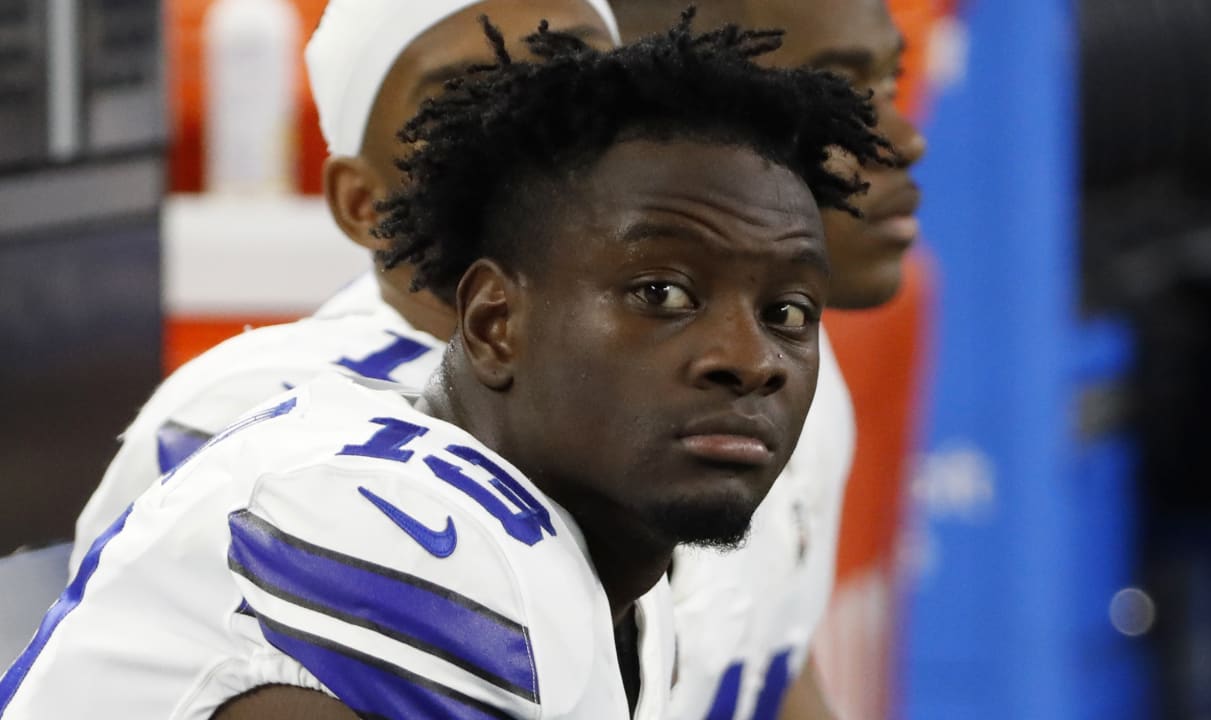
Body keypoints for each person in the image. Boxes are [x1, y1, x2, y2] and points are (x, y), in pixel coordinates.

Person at [4, 12, 889, 720]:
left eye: (786, 313)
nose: (749, 360)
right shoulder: (399, 521)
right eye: (659, 292)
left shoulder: (607, 554)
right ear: (495, 321)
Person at [68, 0, 621, 569]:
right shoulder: (248, 425)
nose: (537, 132)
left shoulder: (676, 370)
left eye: (574, 77)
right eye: (465, 102)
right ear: (362, 202)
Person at [610, 1, 928, 718]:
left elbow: (769, 665)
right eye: (837, 96)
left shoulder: (798, 365)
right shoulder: (544, 427)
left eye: (886, 87)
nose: (904, 139)